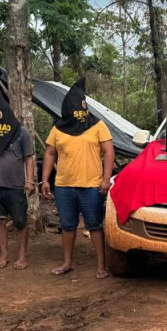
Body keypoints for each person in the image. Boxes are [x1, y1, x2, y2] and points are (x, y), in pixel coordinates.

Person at [40, 78, 115, 278]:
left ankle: (101, 265)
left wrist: (106, 179)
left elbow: (109, 152)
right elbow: (49, 153)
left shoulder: (98, 126)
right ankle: (67, 263)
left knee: (95, 226)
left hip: (91, 185)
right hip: (64, 185)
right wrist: (45, 179)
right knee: (67, 225)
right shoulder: (58, 128)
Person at [0, 89, 35, 269]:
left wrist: (30, 181)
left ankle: (22, 256)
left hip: (15, 186)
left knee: (20, 222)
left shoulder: (21, 132)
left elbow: (29, 158)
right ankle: (4, 255)